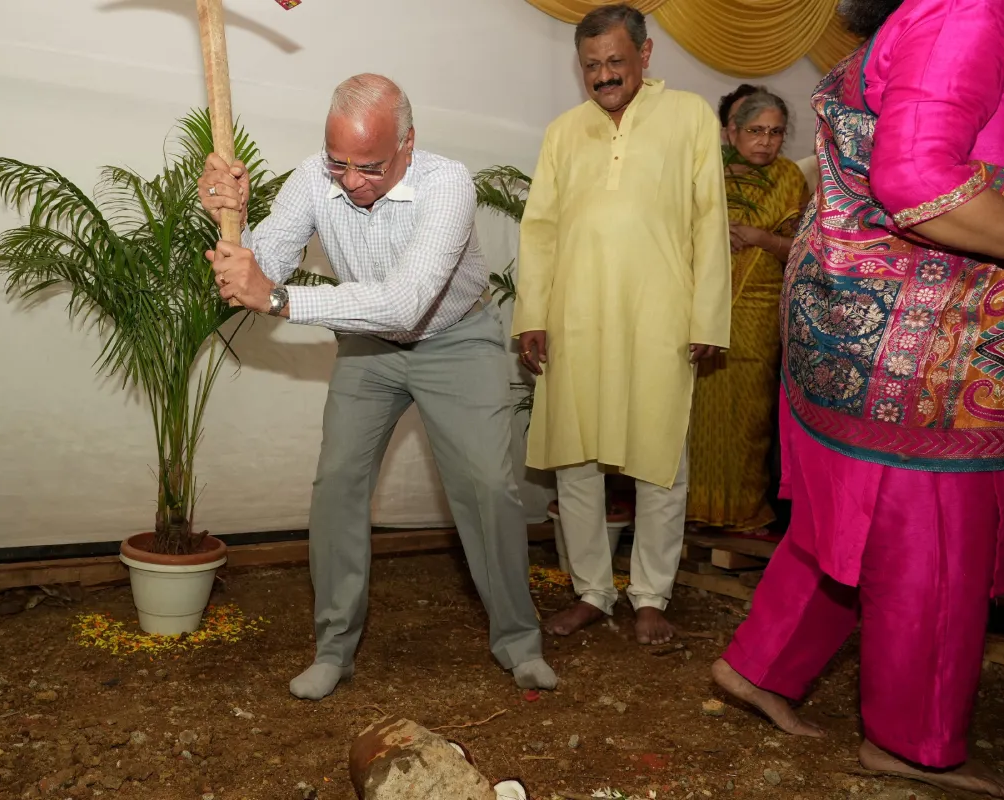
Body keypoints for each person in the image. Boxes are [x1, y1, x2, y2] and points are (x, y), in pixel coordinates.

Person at [711, 0, 1004, 795]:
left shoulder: (919, 14)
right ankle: (912, 742)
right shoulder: (971, 9)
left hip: (858, 315)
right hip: (918, 340)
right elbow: (918, 179)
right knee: (933, 533)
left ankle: (761, 667)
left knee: (851, 519)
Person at [198, 73, 558, 701]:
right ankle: (334, 649)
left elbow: (405, 303)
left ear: (408, 143)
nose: (352, 180)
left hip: (456, 339)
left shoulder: (448, 183)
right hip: (370, 349)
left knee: (488, 486)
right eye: (339, 162)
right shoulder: (315, 177)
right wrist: (231, 224)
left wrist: (278, 299)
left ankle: (518, 641)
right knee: (337, 481)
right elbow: (265, 269)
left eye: (369, 166)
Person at [513, 4, 732, 646]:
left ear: (645, 54)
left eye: (615, 61)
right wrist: (533, 315)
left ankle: (651, 595)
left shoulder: (690, 116)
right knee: (575, 457)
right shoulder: (563, 131)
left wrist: (706, 316)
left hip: (659, 314)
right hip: (575, 315)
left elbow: (708, 221)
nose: (604, 76)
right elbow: (542, 230)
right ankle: (591, 592)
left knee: (658, 455)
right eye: (591, 66)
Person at [686, 91, 810, 532]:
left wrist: (758, 237)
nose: (766, 141)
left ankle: (742, 511)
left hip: (759, 308)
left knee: (750, 416)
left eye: (776, 132)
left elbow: (805, 249)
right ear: (730, 131)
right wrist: (714, 231)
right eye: (756, 130)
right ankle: (693, 509)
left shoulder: (790, 178)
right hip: (699, 306)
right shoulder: (705, 172)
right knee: (697, 413)